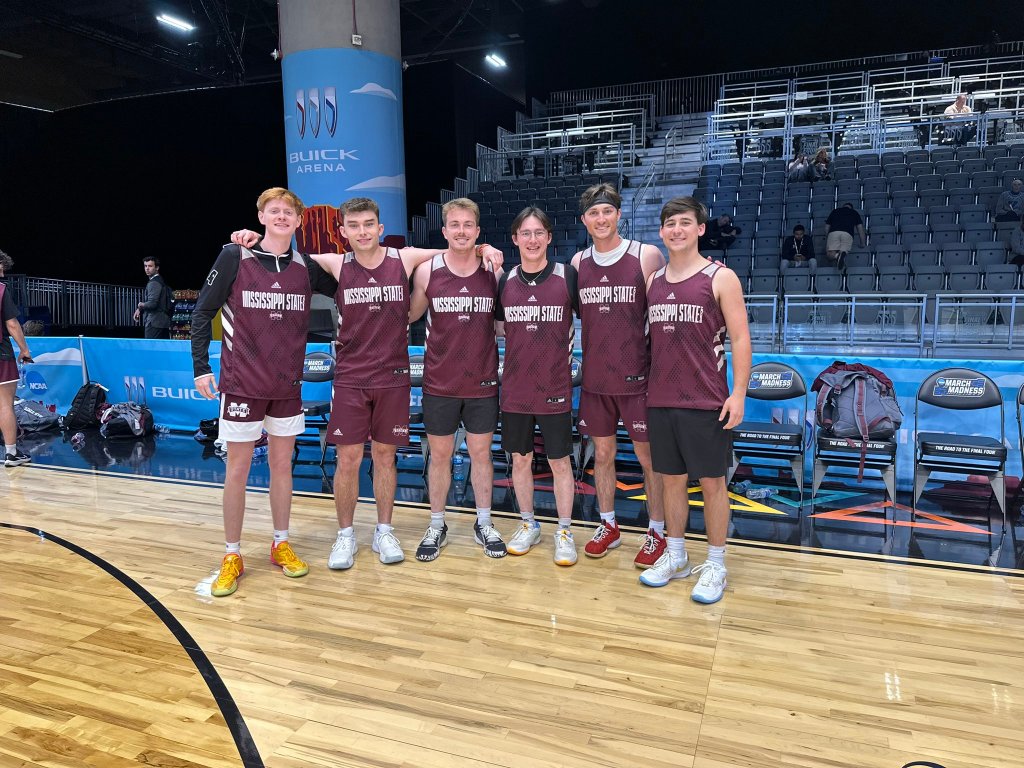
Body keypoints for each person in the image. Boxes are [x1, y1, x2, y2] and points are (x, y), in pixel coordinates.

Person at [193, 188, 338, 597]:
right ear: (260, 217)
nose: (281, 217)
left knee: (281, 467)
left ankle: (280, 543)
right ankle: (232, 554)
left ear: (299, 221)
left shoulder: (306, 267)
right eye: (274, 211)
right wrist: (201, 367)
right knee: (237, 470)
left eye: (289, 212)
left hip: (286, 385)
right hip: (241, 383)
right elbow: (203, 311)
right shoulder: (235, 256)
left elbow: (353, 279)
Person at [640, 196, 751, 605]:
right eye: (670, 224)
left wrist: (738, 393)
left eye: (685, 223)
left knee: (712, 484)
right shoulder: (653, 281)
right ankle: (676, 555)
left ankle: (716, 563)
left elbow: (740, 338)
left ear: (700, 229)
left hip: (706, 399)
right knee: (670, 481)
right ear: (661, 231)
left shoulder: (721, 277)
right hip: (661, 398)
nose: (677, 230)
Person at [570, 183, 669, 566]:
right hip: (596, 379)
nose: (601, 219)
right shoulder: (578, 262)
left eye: (607, 211)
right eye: (594, 213)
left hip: (638, 379)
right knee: (602, 454)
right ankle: (608, 525)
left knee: (649, 458)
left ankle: (657, 531)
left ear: (618, 214)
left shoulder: (646, 255)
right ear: (584, 220)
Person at [408, 198, 506, 561]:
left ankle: (484, 522)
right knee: (440, 455)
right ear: (444, 230)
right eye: (455, 224)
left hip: (482, 381)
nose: (461, 231)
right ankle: (437, 524)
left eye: (468, 225)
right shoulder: (427, 271)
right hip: (440, 382)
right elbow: (409, 315)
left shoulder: (493, 272)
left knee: (481, 454)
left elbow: (502, 326)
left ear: (477, 231)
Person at [497, 206, 580, 566]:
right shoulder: (504, 281)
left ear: (549, 237)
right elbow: (499, 327)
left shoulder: (568, 276)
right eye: (525, 233)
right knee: (520, 459)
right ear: (515, 239)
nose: (532, 240)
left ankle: (564, 530)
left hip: (555, 387)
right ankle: (528, 523)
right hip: (516, 389)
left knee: (560, 461)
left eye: (539, 233)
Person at [0, 249, 33, 467]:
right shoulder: (1, 290)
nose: (3, 272)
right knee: (5, 404)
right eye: (1, 266)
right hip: (1, 353)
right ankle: (11, 453)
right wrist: (24, 350)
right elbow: (12, 324)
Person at [133, 257, 171, 339]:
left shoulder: (154, 283)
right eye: (145, 266)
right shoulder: (160, 280)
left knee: (150, 346)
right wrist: (140, 309)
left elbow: (152, 304)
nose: (147, 268)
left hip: (154, 323)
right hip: (163, 322)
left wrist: (140, 305)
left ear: (157, 268)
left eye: (150, 266)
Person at [824, 202, 866, 267]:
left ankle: (836, 256)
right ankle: (840, 259)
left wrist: (828, 237)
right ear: (851, 208)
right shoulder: (854, 212)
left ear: (843, 206)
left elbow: (826, 227)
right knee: (843, 253)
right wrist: (862, 244)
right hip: (847, 234)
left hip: (834, 233)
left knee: (830, 254)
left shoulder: (835, 211)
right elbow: (860, 230)